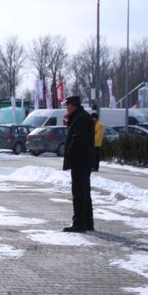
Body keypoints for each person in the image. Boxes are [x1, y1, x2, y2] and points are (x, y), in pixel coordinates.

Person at [62, 95, 94, 232]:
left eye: (67, 104)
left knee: (79, 192)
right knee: (84, 191)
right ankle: (87, 222)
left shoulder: (80, 118)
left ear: (73, 105)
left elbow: (77, 140)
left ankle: (79, 223)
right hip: (84, 160)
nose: (66, 107)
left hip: (80, 161)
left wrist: (69, 154)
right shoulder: (81, 116)